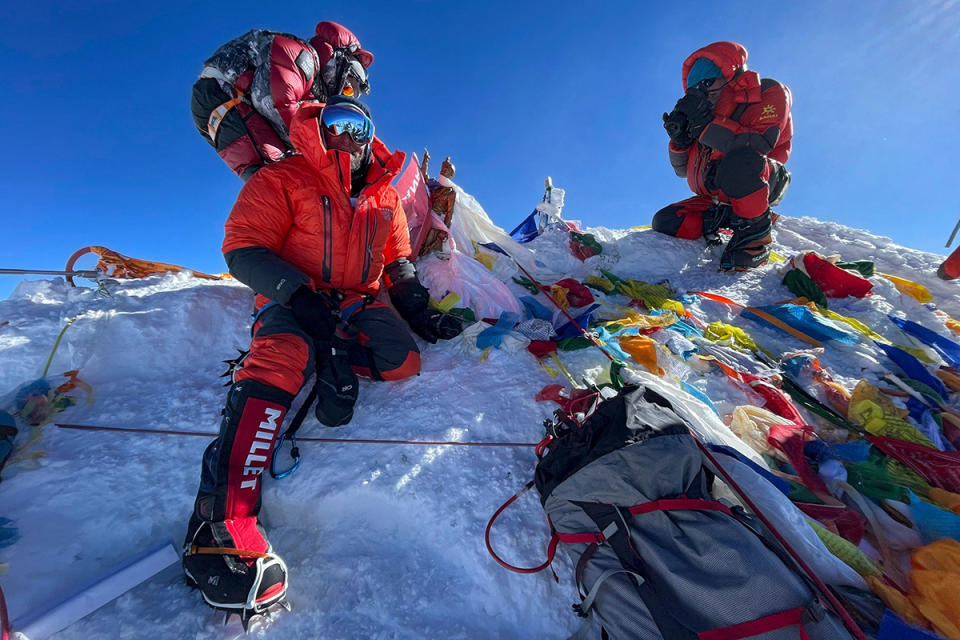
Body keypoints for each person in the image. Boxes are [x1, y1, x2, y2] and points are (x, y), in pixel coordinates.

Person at [182, 97, 463, 622]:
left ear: (369, 134)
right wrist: (300, 298)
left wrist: (419, 311)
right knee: (282, 356)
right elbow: (243, 247)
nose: (348, 137)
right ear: (319, 128)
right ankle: (220, 522)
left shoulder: (384, 196)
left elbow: (398, 261)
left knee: (403, 363)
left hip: (355, 298)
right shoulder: (285, 176)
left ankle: (325, 353)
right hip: (296, 293)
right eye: (337, 124)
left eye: (359, 127)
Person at [652, 42, 793, 271]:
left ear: (730, 75)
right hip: (717, 195)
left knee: (740, 162)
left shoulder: (767, 91)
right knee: (666, 220)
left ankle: (756, 234)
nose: (704, 91)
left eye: (708, 83)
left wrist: (703, 124)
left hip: (763, 177)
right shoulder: (703, 112)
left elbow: (757, 144)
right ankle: (729, 216)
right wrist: (679, 141)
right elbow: (681, 171)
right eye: (696, 87)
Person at [190, 21, 374, 181]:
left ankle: (293, 212)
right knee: (276, 174)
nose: (344, 95)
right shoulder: (302, 56)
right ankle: (282, 213)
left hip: (224, 102)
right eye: (347, 88)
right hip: (220, 91)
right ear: (340, 62)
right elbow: (276, 103)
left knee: (286, 168)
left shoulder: (314, 91)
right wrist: (319, 156)